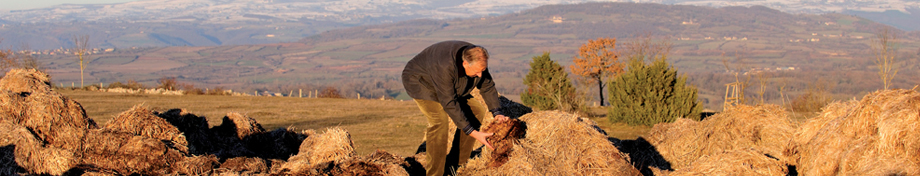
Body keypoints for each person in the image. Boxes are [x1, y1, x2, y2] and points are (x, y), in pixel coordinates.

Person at [402, 40, 509, 176]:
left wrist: (497, 112)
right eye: (477, 72)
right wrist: (473, 132)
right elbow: (449, 103)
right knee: (439, 122)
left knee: (477, 111)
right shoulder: (444, 65)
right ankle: (435, 173)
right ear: (465, 64)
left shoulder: (476, 58)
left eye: (482, 70)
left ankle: (456, 165)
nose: (480, 75)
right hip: (421, 82)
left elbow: (487, 86)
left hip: (448, 85)